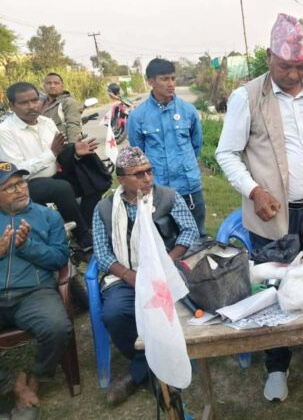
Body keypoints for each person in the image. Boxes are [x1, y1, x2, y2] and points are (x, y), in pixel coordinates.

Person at [216, 13, 303, 403]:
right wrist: (254, 191)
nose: (293, 75)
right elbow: (226, 153)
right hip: (273, 213)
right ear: (268, 57)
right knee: (275, 287)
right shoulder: (247, 97)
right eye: (284, 67)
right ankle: (277, 365)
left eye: (299, 66)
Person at [92, 146, 198, 406]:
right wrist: (129, 276)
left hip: (165, 273)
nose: (147, 178)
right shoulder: (105, 208)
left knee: (177, 310)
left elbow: (190, 231)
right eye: (138, 174)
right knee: (114, 314)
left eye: (149, 171)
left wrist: (166, 262)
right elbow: (102, 253)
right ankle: (153, 367)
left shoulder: (168, 197)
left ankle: (139, 372)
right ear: (121, 179)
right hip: (125, 277)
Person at [0, 162, 72, 420]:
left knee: (57, 327)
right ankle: (12, 384)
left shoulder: (48, 217)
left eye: (21, 182)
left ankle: (35, 377)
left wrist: (27, 246)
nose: (20, 189)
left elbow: (59, 258)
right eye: (9, 187)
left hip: (34, 293)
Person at [0, 82, 107, 252]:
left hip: (54, 174)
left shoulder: (46, 122)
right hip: (26, 183)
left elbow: (59, 152)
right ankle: (83, 237)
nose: (31, 106)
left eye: (35, 100)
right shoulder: (5, 131)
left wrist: (75, 151)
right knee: (61, 188)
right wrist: (51, 153)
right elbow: (16, 171)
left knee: (92, 178)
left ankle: (88, 225)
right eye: (24, 103)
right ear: (12, 106)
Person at [127, 58, 206, 236]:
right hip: (158, 188)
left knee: (197, 235)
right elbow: (138, 153)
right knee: (163, 237)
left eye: (173, 78)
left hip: (188, 186)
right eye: (164, 79)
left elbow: (196, 145)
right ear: (151, 82)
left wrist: (186, 165)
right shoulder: (138, 116)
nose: (171, 84)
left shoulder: (188, 110)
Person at [40, 73, 84, 143]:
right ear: (44, 86)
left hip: (61, 145)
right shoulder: (39, 103)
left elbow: (73, 125)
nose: (52, 86)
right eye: (48, 83)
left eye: (56, 83)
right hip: (43, 144)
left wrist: (72, 146)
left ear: (62, 85)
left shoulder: (68, 102)